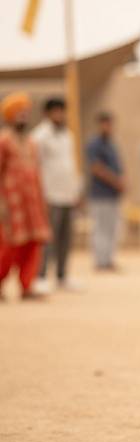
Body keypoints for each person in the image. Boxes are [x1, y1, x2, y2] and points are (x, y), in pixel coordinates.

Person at [0, 92, 50, 300]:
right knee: (7, 246)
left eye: (25, 113)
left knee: (33, 245)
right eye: (19, 113)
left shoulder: (31, 143)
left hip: (32, 205)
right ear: (10, 116)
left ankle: (26, 286)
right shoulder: (3, 142)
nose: (23, 117)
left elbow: (36, 173)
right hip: (11, 205)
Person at [31, 97, 83, 292]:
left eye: (62, 111)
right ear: (47, 113)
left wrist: (76, 190)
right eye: (56, 111)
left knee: (65, 238)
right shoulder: (39, 137)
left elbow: (70, 165)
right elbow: (36, 168)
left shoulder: (68, 135)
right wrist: (39, 195)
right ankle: (41, 275)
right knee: (47, 238)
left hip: (67, 194)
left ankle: (62, 275)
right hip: (49, 195)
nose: (60, 115)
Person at [86, 112, 124, 271]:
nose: (108, 127)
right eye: (105, 124)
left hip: (112, 195)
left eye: (110, 124)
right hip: (100, 194)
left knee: (112, 229)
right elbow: (96, 168)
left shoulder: (111, 144)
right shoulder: (94, 145)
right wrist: (116, 182)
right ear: (100, 125)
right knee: (100, 228)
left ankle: (108, 259)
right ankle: (100, 260)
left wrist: (121, 182)